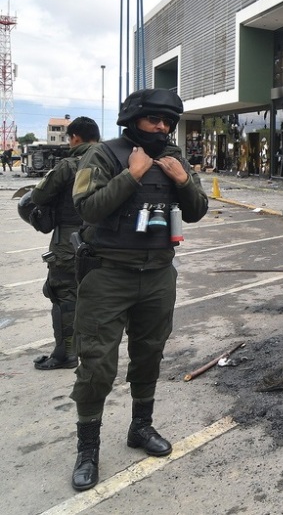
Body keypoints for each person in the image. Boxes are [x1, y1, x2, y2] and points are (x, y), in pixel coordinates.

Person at [69, 89, 208, 491]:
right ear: (134, 120)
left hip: (158, 274)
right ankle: (88, 449)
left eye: (168, 121)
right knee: (97, 364)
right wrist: (131, 174)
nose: (162, 127)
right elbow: (88, 209)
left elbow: (196, 211)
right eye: (154, 120)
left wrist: (182, 181)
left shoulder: (175, 158)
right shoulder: (104, 155)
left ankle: (140, 427)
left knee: (149, 353)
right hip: (108, 275)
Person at [30, 117, 101, 370]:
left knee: (63, 295)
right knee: (94, 296)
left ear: (74, 138)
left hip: (69, 243)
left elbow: (38, 195)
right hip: (104, 241)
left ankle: (65, 354)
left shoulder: (68, 165)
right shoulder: (113, 163)